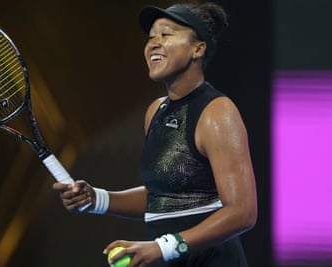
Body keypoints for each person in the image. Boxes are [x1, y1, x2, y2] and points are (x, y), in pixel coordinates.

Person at [53, 2, 257, 267]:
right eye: (150, 38)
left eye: (166, 34)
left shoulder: (217, 113)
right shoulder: (155, 111)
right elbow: (160, 196)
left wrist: (164, 246)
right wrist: (98, 198)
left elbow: (243, 212)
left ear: (198, 48)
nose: (153, 44)